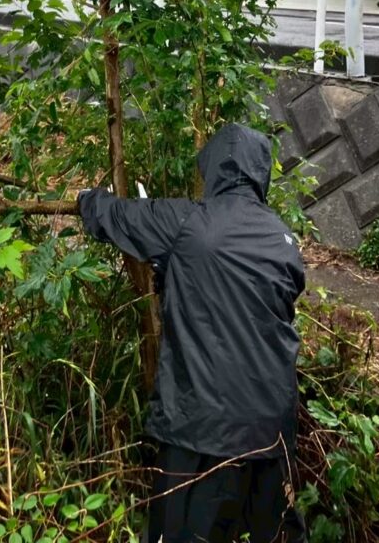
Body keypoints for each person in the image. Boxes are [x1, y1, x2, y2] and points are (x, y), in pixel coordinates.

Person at [79, 122, 307, 543]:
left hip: (203, 433)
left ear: (214, 169)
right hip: (271, 433)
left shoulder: (188, 222)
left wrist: (86, 200)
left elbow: (118, 216)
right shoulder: (283, 239)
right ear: (260, 173)